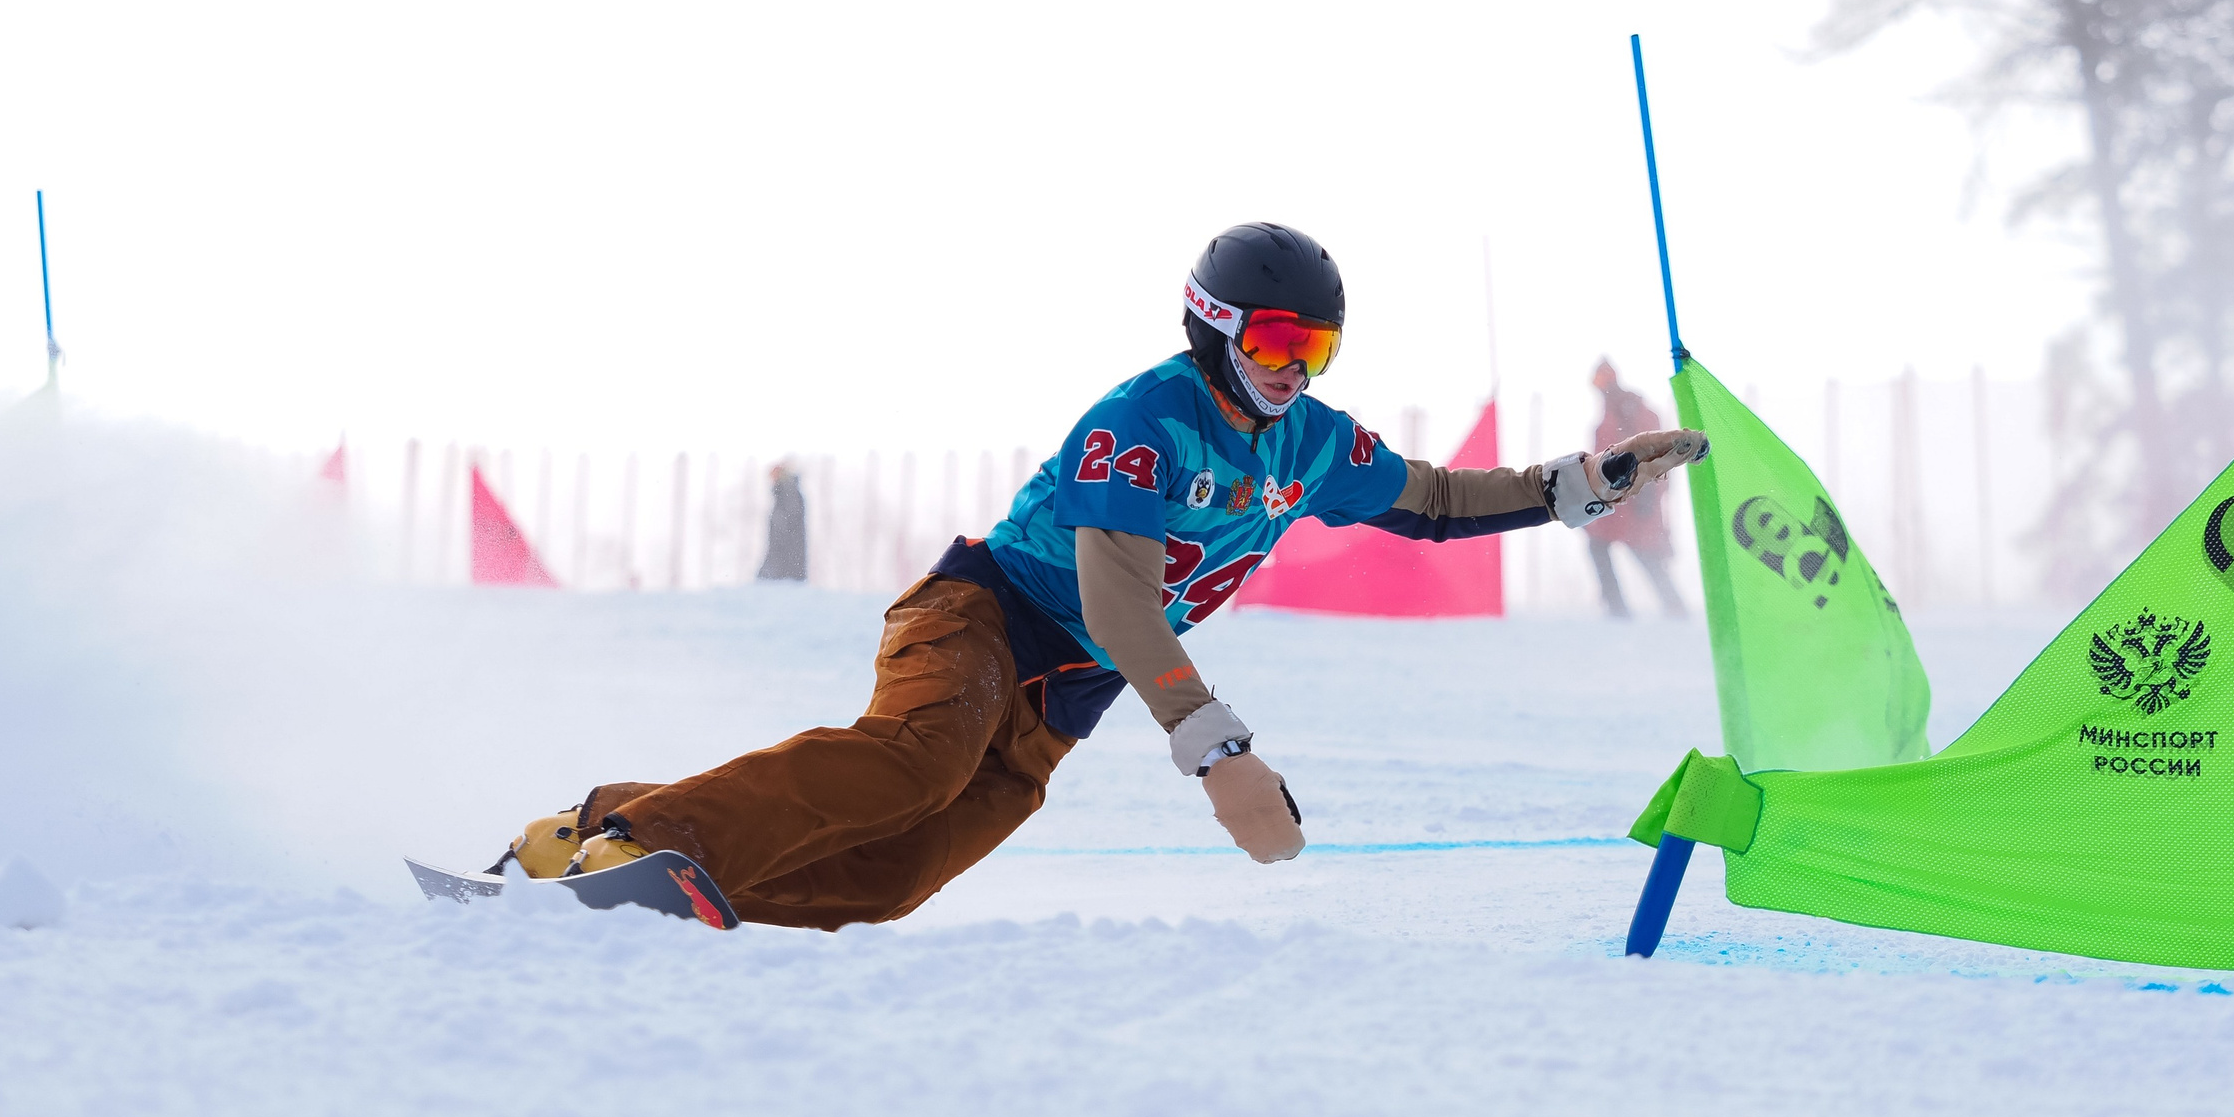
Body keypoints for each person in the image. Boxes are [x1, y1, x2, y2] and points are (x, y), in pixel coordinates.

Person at [497, 225, 1705, 928]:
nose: (1294, 368)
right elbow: (1121, 593)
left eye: (1316, 347)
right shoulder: (1145, 422)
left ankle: (621, 858)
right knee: (912, 759)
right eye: (1276, 342)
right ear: (1214, 327)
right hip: (987, 617)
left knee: (901, 869)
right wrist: (1215, 746)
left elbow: (1433, 502)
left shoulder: (1312, 441)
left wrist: (1574, 484)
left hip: (1071, 686)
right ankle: (638, 834)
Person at [1585, 358, 1687, 619]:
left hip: (1633, 497)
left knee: (1644, 552)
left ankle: (1671, 608)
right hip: (1621, 496)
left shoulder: (1628, 410)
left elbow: (1649, 451)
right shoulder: (1617, 409)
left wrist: (1648, 491)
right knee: (1614, 547)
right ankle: (1621, 607)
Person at [755, 462, 808, 582]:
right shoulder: (784, 493)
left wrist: (780, 529)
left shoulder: (789, 492)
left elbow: (790, 518)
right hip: (782, 550)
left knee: (774, 581)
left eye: (774, 475)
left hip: (787, 553)